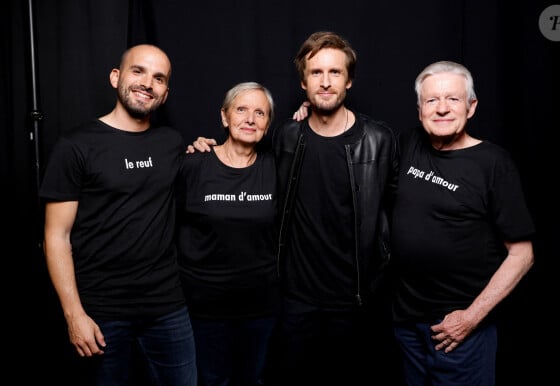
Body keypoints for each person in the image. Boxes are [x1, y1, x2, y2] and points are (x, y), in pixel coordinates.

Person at [192, 31, 400, 386]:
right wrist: (200, 148)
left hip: (356, 301)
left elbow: (398, 215)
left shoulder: (379, 141)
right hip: (293, 300)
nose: (325, 82)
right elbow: (242, 156)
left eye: (335, 72)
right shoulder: (286, 136)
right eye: (316, 73)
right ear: (303, 82)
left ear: (349, 80)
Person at [39, 44, 197, 386]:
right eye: (138, 71)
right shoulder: (76, 145)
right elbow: (55, 236)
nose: (147, 83)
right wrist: (74, 315)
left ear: (165, 93)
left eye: (158, 78)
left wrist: (203, 147)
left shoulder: (171, 142)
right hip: (101, 312)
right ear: (116, 77)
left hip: (167, 307)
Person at [390, 60, 535, 386]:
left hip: (459, 330)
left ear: (471, 107)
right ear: (419, 110)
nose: (442, 109)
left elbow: (522, 255)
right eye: (432, 100)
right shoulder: (408, 144)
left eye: (453, 99)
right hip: (406, 323)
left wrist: (470, 318)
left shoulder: (493, 163)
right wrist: (310, 112)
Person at [176, 81, 279, 386]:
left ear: (268, 124)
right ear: (224, 117)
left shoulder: (277, 167)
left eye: (260, 113)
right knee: (212, 380)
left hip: (261, 306)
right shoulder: (193, 164)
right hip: (204, 307)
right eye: (242, 109)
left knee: (254, 379)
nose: (250, 119)